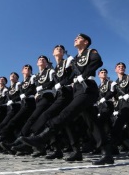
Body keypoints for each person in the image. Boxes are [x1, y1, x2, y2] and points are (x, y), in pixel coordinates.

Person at [21, 33, 114, 165]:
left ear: (86, 42)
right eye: (75, 38)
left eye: (79, 38)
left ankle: (43, 137)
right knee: (93, 123)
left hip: (88, 88)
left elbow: (98, 61)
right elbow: (69, 76)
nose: (76, 39)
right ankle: (101, 153)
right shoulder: (74, 58)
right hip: (77, 90)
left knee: (66, 112)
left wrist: (85, 74)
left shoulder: (90, 52)